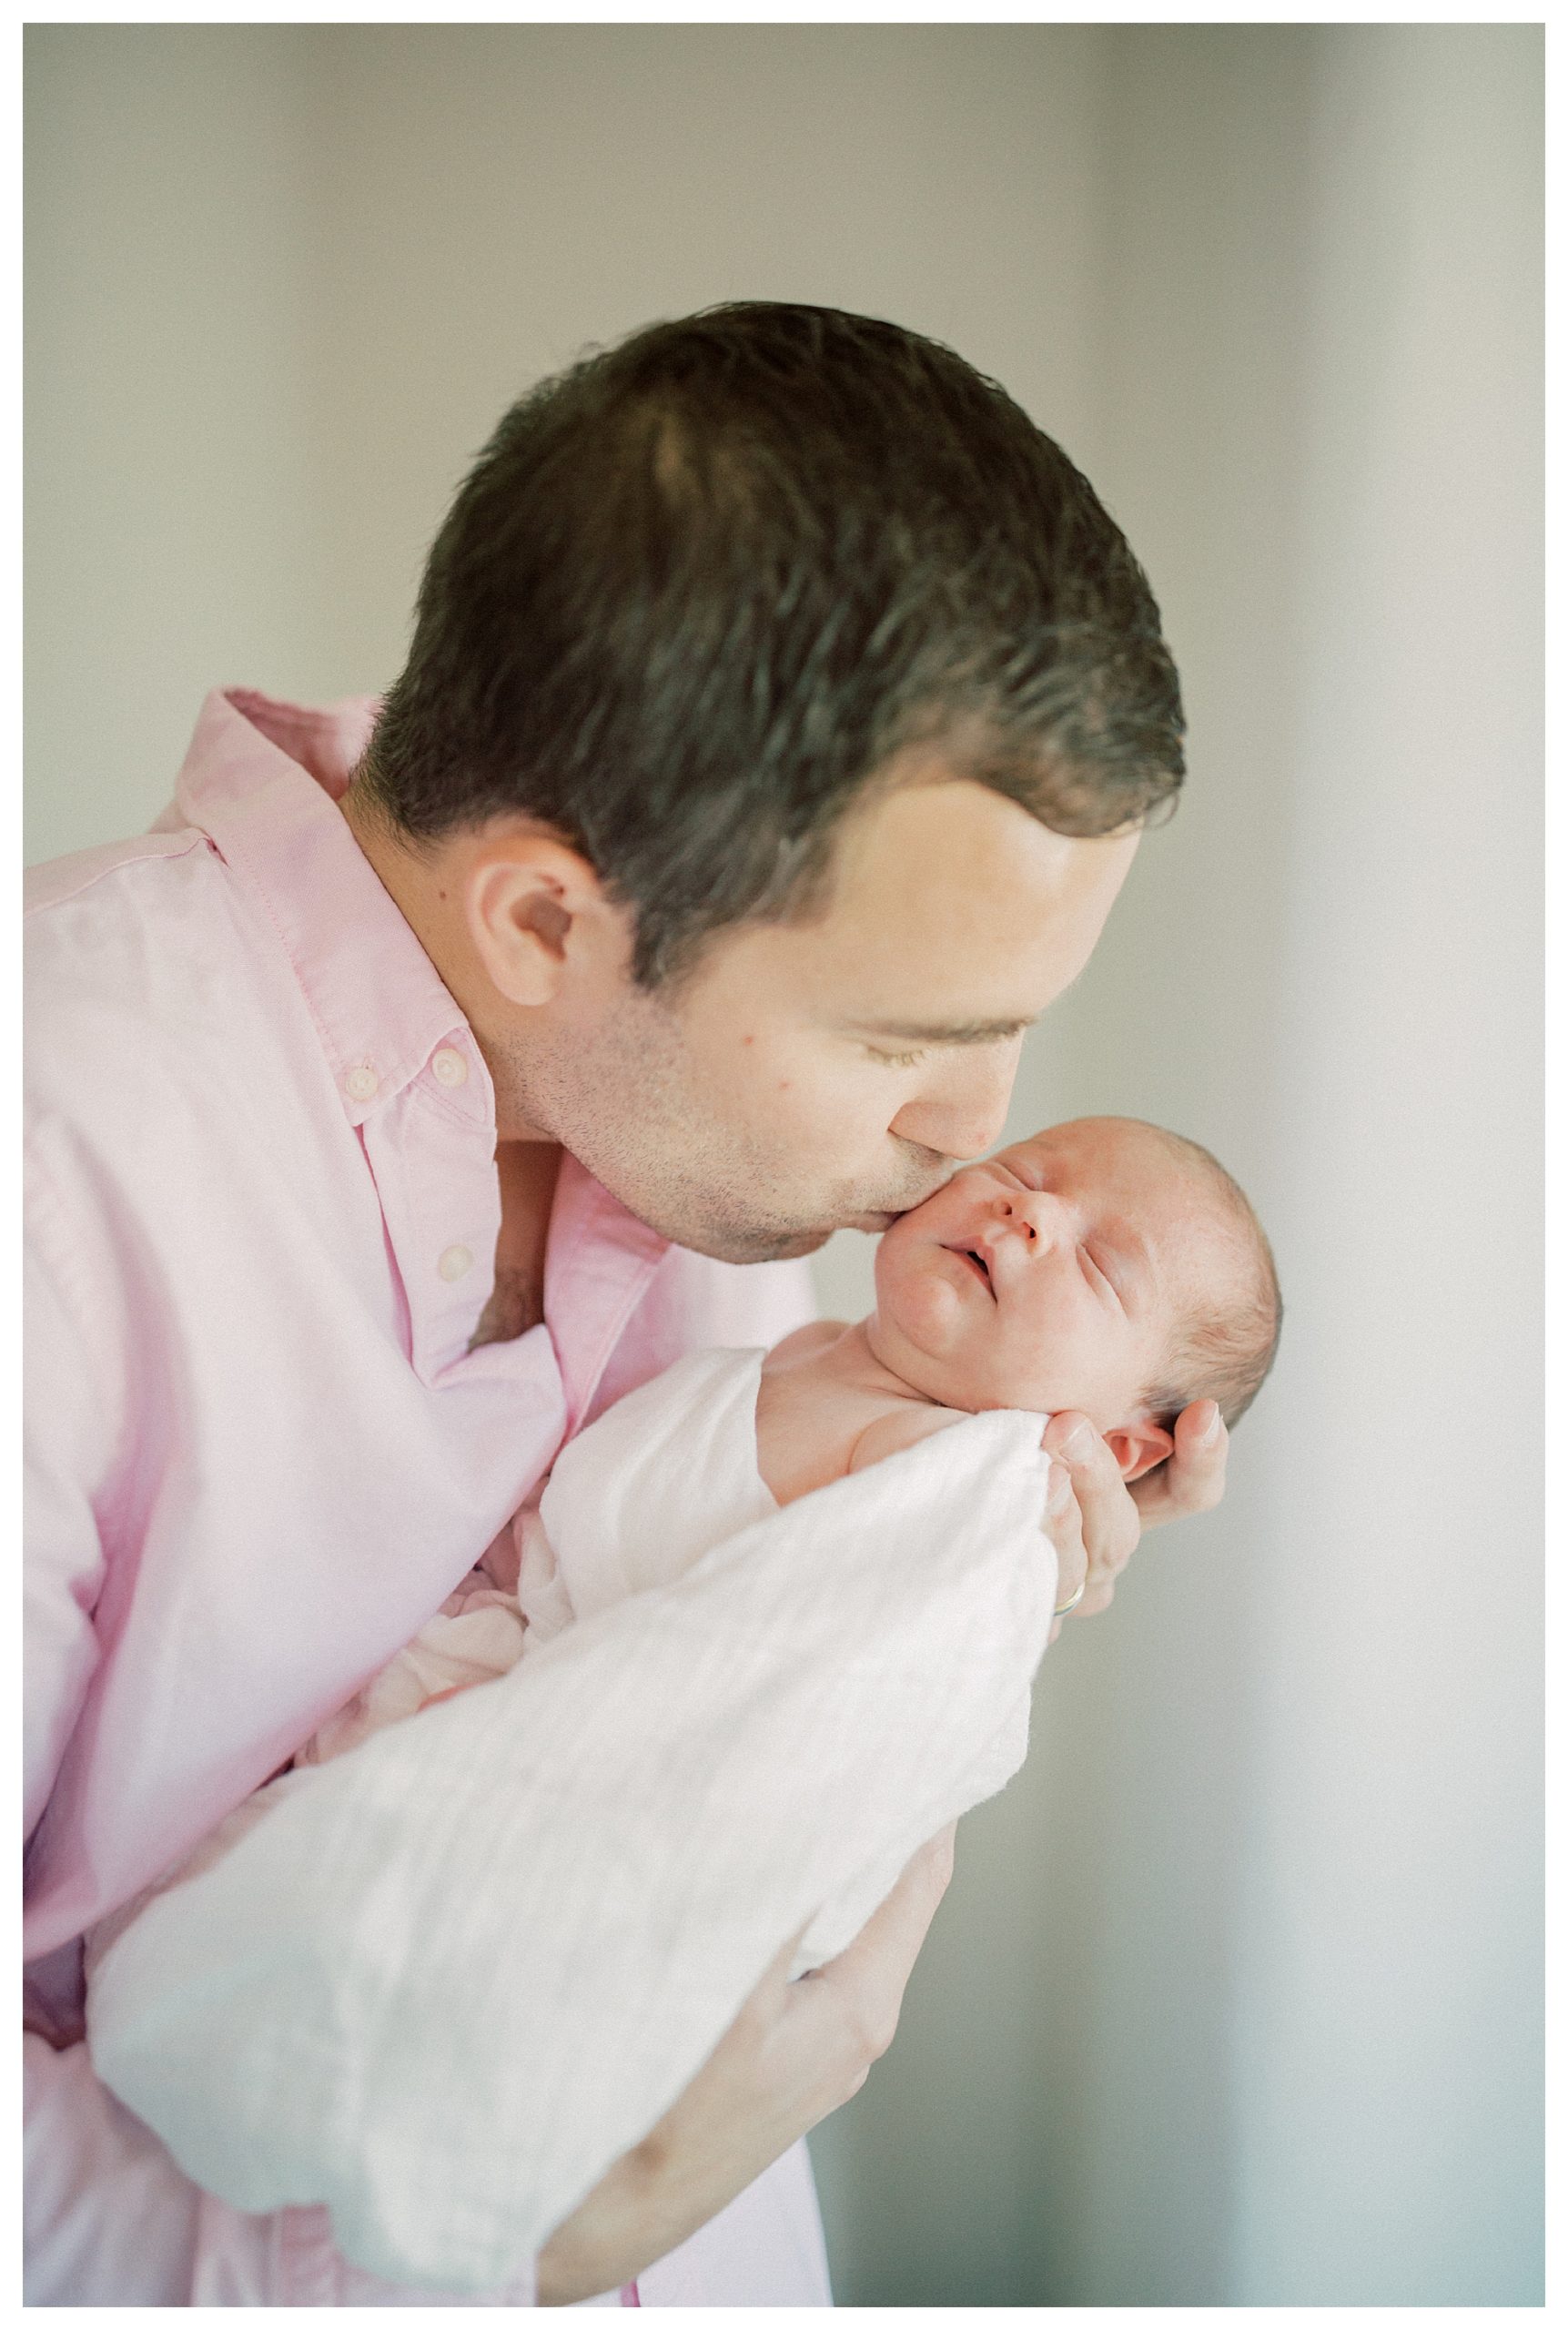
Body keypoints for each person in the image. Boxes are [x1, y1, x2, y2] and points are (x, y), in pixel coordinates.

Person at [25, 303, 1229, 2305]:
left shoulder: (695, 1122)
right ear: (544, 920)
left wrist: (972, 1489)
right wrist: (520, 2246)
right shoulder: (49, 1174)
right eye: (903, 1041)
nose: (977, 1133)